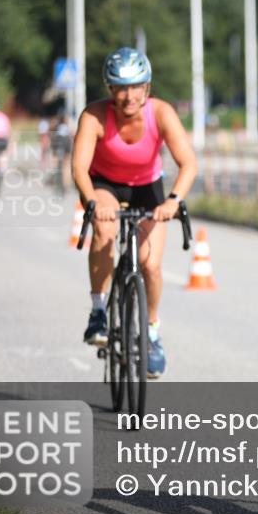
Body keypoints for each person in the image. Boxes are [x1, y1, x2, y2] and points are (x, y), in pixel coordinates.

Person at [72, 47, 197, 379]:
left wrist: (172, 201)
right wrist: (93, 203)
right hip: (105, 184)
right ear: (110, 89)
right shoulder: (94, 116)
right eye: (120, 88)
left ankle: (151, 333)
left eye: (136, 87)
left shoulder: (162, 113)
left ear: (147, 87)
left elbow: (188, 163)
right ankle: (99, 311)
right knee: (104, 233)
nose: (129, 96)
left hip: (148, 188)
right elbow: (79, 168)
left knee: (150, 264)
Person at [49, 109, 73, 189]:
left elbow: (51, 133)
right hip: (66, 141)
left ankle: (57, 179)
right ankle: (66, 182)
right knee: (66, 164)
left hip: (60, 140)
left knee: (57, 161)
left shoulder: (55, 124)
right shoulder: (68, 124)